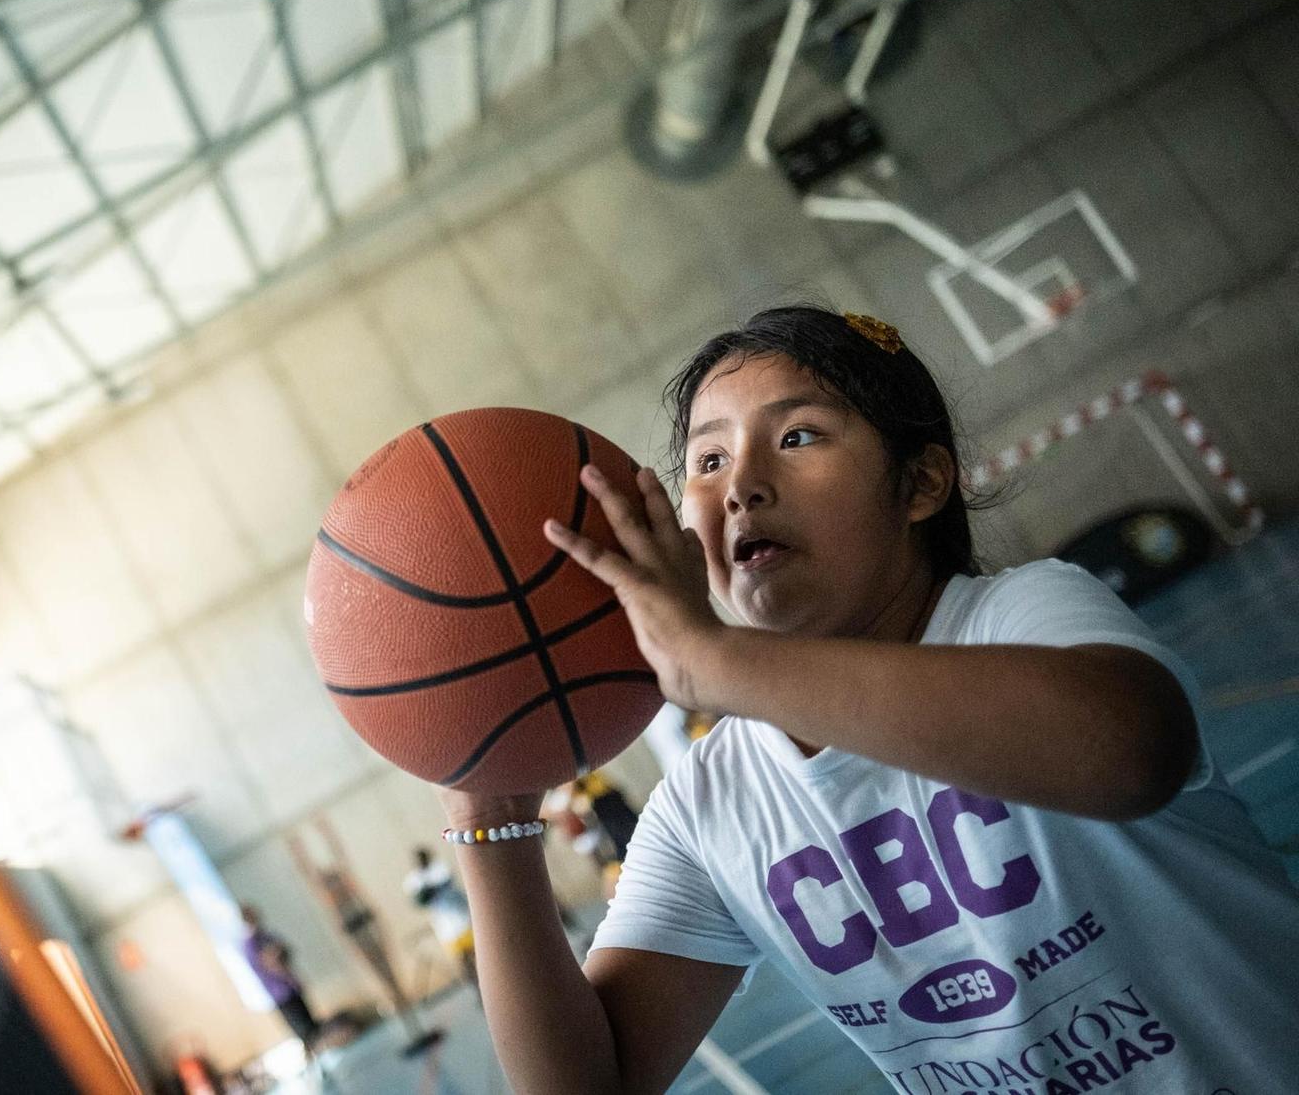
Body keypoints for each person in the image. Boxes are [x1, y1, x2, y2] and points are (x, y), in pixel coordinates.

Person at [436, 305, 1299, 1093]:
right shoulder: (710, 803)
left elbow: (1127, 751)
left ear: (921, 483)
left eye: (800, 435)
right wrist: (488, 820)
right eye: (708, 457)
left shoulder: (1024, 611)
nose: (741, 484)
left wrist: (713, 660)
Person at [238, 905, 318, 1052]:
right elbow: (270, 963)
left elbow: (284, 950)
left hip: (290, 987)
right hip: (280, 993)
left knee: (312, 1026)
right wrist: (277, 959)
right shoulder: (251, 944)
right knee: (306, 1033)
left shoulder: (266, 936)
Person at [404, 846, 476, 987]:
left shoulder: (440, 868)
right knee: (461, 959)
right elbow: (419, 900)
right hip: (445, 926)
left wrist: (428, 890)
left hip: (461, 917)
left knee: (476, 952)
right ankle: (475, 985)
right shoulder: (414, 879)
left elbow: (445, 882)